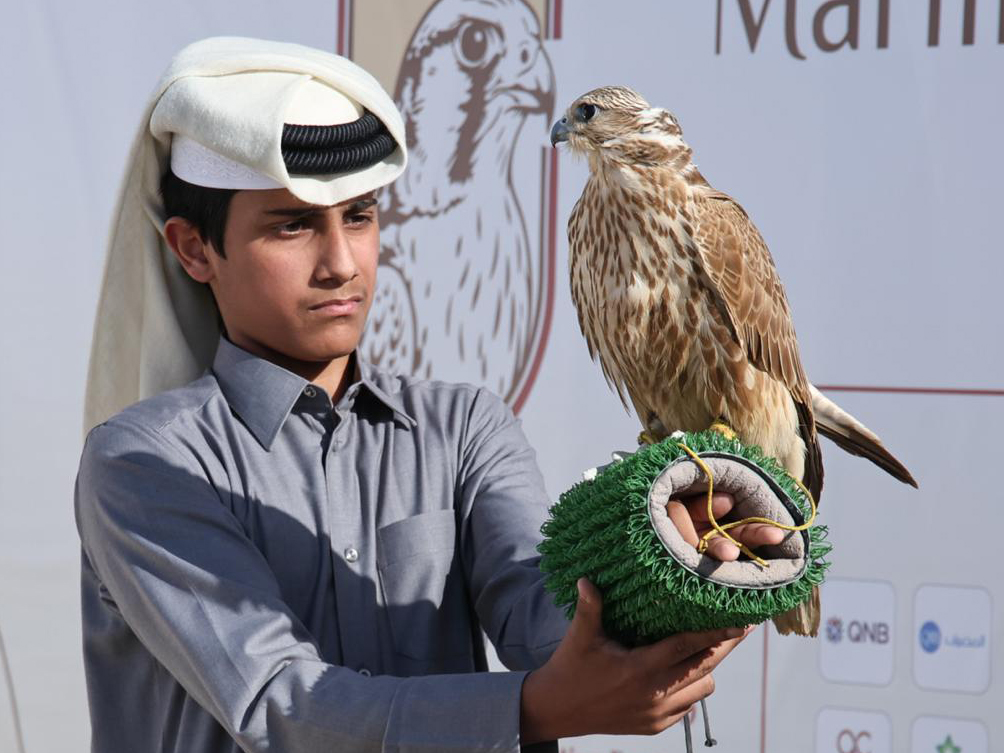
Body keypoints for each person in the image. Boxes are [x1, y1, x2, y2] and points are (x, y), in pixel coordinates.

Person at [75, 36, 782, 752]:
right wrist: (539, 707)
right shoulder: (144, 462)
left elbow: (546, 612)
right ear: (194, 248)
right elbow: (279, 704)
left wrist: (663, 556)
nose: (341, 263)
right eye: (293, 225)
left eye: (360, 216)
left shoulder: (462, 428)